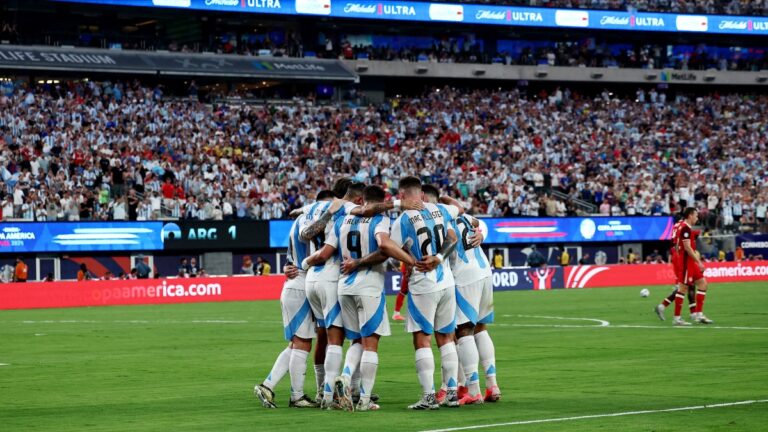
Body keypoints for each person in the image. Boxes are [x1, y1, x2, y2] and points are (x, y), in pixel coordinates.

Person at [306, 185, 417, 411]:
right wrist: (409, 261)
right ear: (382, 201)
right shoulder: (381, 220)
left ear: (362, 200)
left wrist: (305, 263)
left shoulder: (343, 219)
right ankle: (363, 399)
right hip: (368, 287)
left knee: (355, 340)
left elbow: (327, 251)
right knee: (370, 344)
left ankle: (334, 389)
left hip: (343, 287)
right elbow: (384, 245)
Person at [387, 176, 462, 410]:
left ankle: (429, 397)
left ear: (402, 196)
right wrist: (439, 258)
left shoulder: (403, 219)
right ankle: (451, 393)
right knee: (447, 337)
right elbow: (453, 234)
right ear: (421, 194)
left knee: (422, 339)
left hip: (423, 282)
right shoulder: (440, 209)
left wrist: (408, 261)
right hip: (447, 281)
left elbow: (390, 250)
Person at [424, 184, 498, 405]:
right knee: (481, 329)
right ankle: (492, 385)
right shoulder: (462, 215)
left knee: (462, 332)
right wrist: (481, 233)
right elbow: (477, 223)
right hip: (484, 272)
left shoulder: (438, 220)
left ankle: (472, 390)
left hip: (465, 278)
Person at [254, 209, 319, 409]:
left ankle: (267, 386)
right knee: (302, 343)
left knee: (295, 344)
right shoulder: (314, 220)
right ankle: (297, 396)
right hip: (300, 286)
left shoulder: (299, 220)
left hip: (295, 285)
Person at [671, 208, 713, 325]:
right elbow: (687, 248)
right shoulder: (685, 228)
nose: (697, 218)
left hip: (689, 261)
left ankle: (699, 315)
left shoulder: (681, 225)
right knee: (683, 288)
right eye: (696, 215)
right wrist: (699, 262)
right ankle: (677, 318)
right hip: (686, 262)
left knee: (703, 283)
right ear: (690, 216)